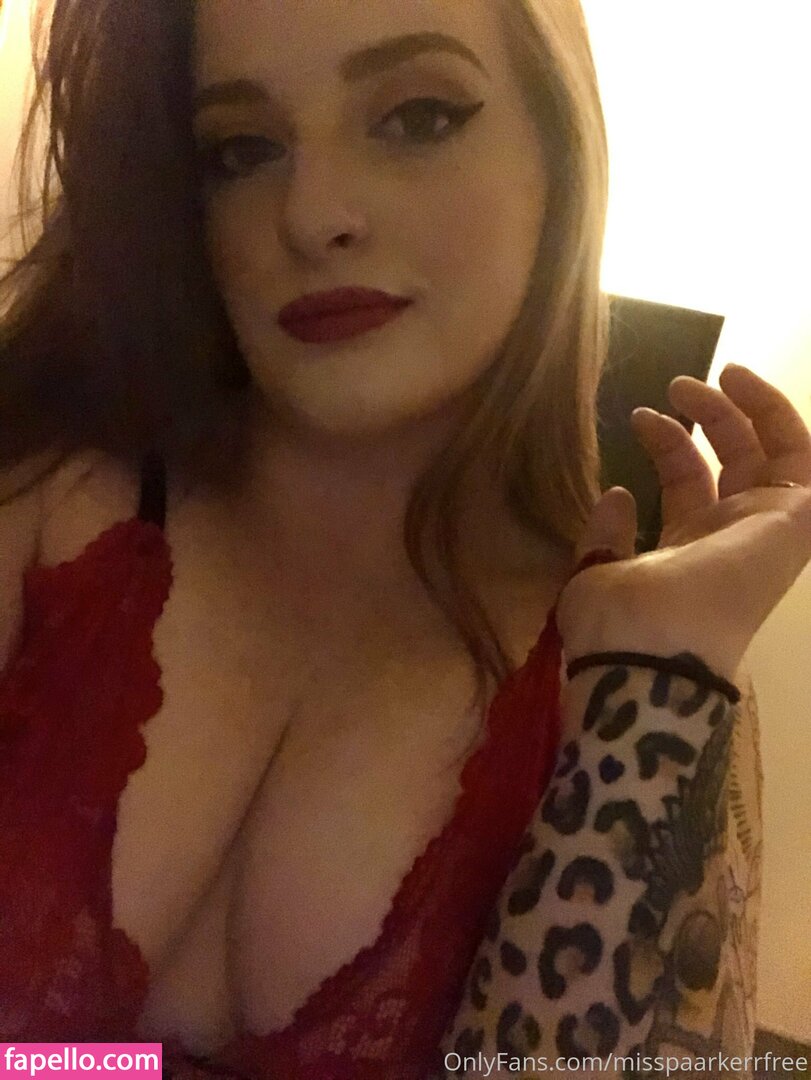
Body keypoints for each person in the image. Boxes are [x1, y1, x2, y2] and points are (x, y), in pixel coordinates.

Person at [0, 0, 808, 1078]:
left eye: (418, 117)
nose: (313, 215)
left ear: (560, 153)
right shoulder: (49, 501)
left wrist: (654, 673)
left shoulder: (638, 671)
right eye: (240, 148)